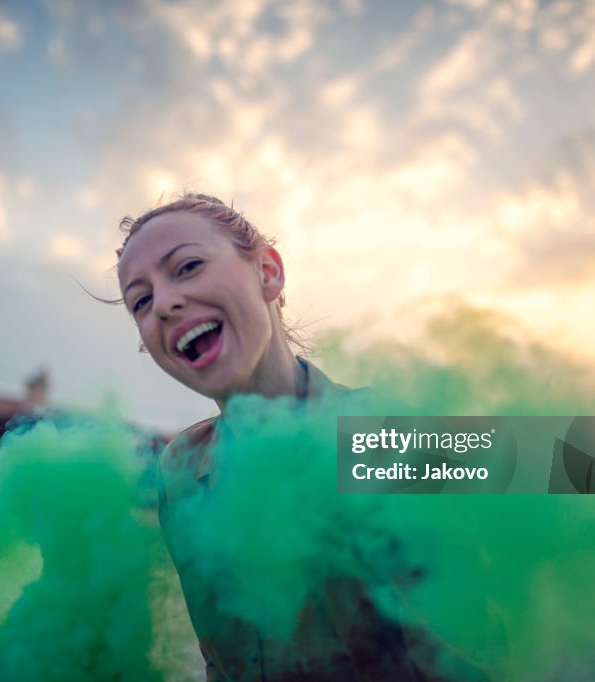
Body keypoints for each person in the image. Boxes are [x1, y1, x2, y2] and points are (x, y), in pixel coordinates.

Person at [115, 193, 437, 681]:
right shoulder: (179, 470)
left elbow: (577, 465)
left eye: (187, 266)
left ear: (267, 271)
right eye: (141, 300)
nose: (163, 304)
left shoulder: (381, 430)